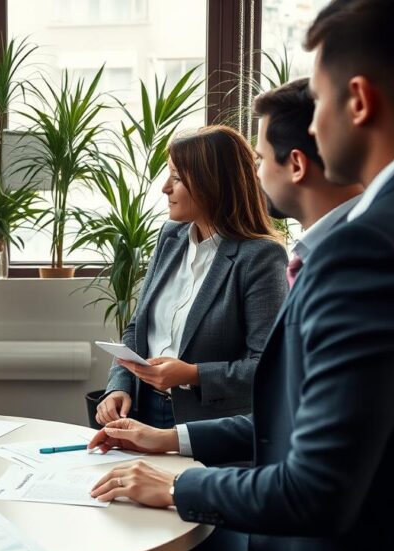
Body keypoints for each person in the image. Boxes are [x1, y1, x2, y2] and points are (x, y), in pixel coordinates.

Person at [88, 1, 394, 551]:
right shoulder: (180, 239)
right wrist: (168, 438)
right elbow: (294, 420)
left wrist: (179, 481)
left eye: (322, 100)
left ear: (357, 102)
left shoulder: (355, 249)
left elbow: (313, 475)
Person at [95, 125, 288, 428]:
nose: (164, 188)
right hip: (142, 410)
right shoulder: (171, 236)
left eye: (177, 178)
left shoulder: (260, 257)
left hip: (209, 425)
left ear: (212, 184)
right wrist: (119, 385)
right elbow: (138, 327)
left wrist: (192, 374)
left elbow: (267, 366)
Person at [253, 77, 363, 284]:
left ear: (297, 166)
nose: (257, 173)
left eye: (261, 159)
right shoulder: (328, 249)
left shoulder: (353, 262)